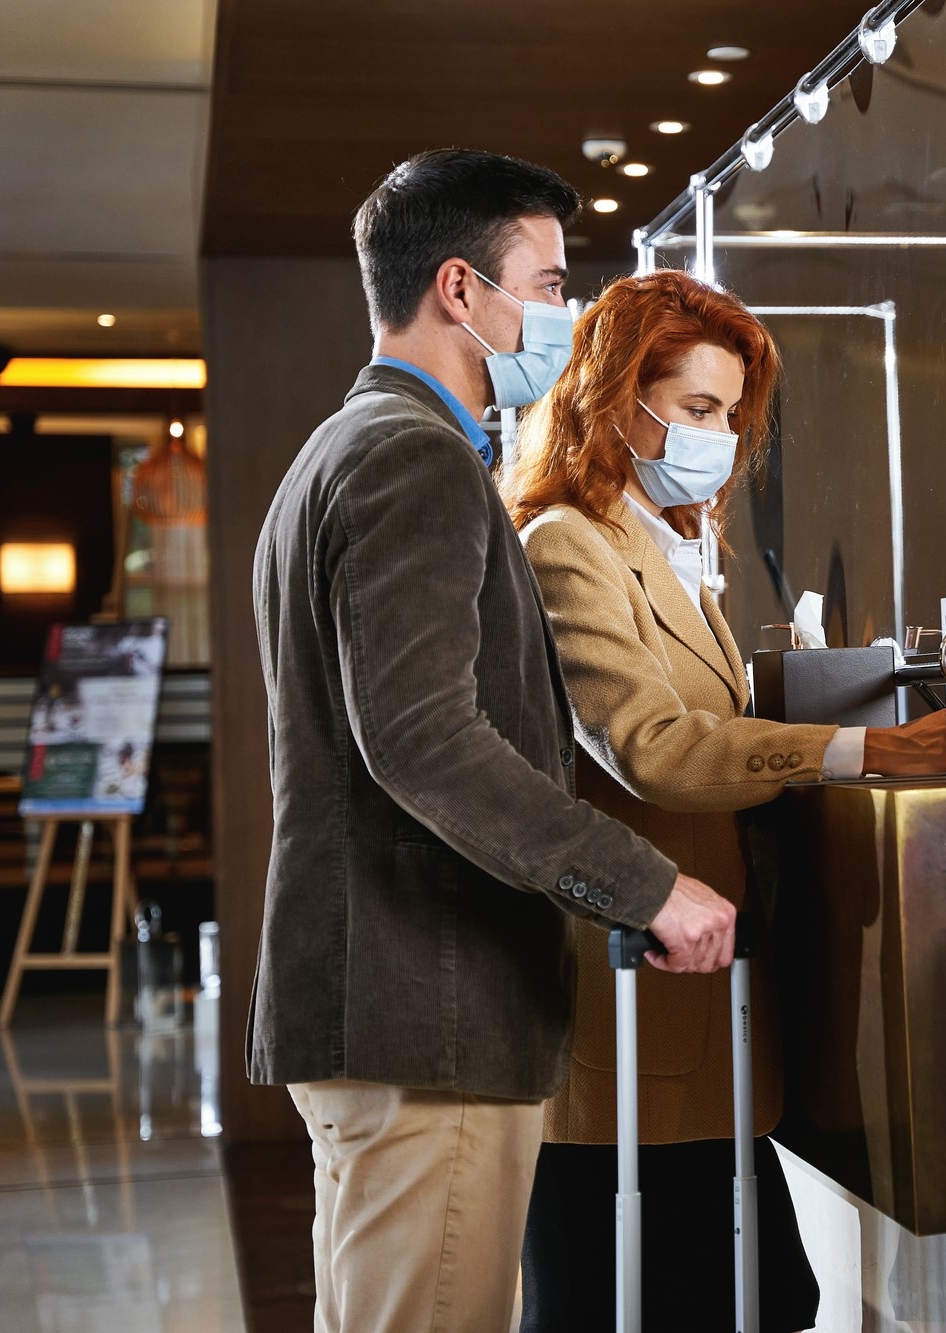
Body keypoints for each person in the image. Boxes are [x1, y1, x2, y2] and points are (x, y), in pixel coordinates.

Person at [252, 150, 739, 1333]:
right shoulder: (409, 454)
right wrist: (640, 883)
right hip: (431, 1008)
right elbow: (423, 739)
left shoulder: (353, 444)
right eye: (549, 280)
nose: (562, 314)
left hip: (395, 1008)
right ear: (461, 290)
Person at [501, 269, 946, 1331]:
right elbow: (655, 749)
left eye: (730, 415)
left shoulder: (669, 553)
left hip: (698, 1008)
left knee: (756, 1294)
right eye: (696, 409)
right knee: (630, 1294)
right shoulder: (567, 546)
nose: (719, 436)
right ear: (612, 400)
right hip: (629, 1012)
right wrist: (864, 748)